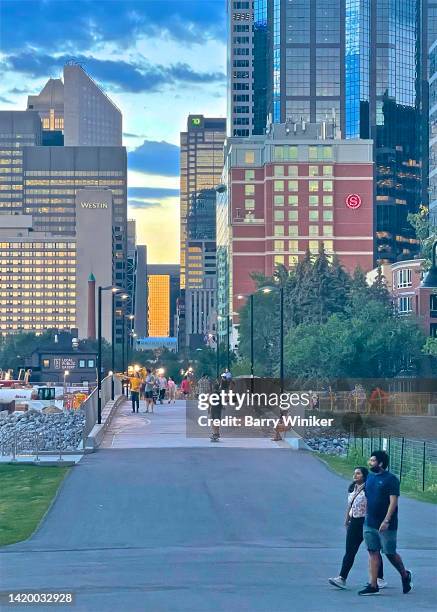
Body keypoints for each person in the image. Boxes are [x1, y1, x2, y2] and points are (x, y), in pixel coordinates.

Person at [358, 450, 412, 596]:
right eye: (370, 460)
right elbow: (368, 498)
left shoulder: (391, 479)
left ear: (381, 463)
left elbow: (393, 502)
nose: (370, 463)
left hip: (386, 524)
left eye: (373, 460)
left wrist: (386, 520)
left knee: (389, 553)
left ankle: (405, 575)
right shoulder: (369, 478)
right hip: (370, 522)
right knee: (372, 552)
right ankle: (373, 584)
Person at [329, 467, 385, 590]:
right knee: (350, 550)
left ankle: (379, 578)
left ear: (364, 476)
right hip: (354, 522)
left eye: (358, 473)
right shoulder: (352, 488)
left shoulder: (369, 489)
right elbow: (350, 504)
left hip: (366, 522)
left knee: (373, 550)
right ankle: (342, 578)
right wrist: (347, 519)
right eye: (354, 473)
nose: (355, 475)